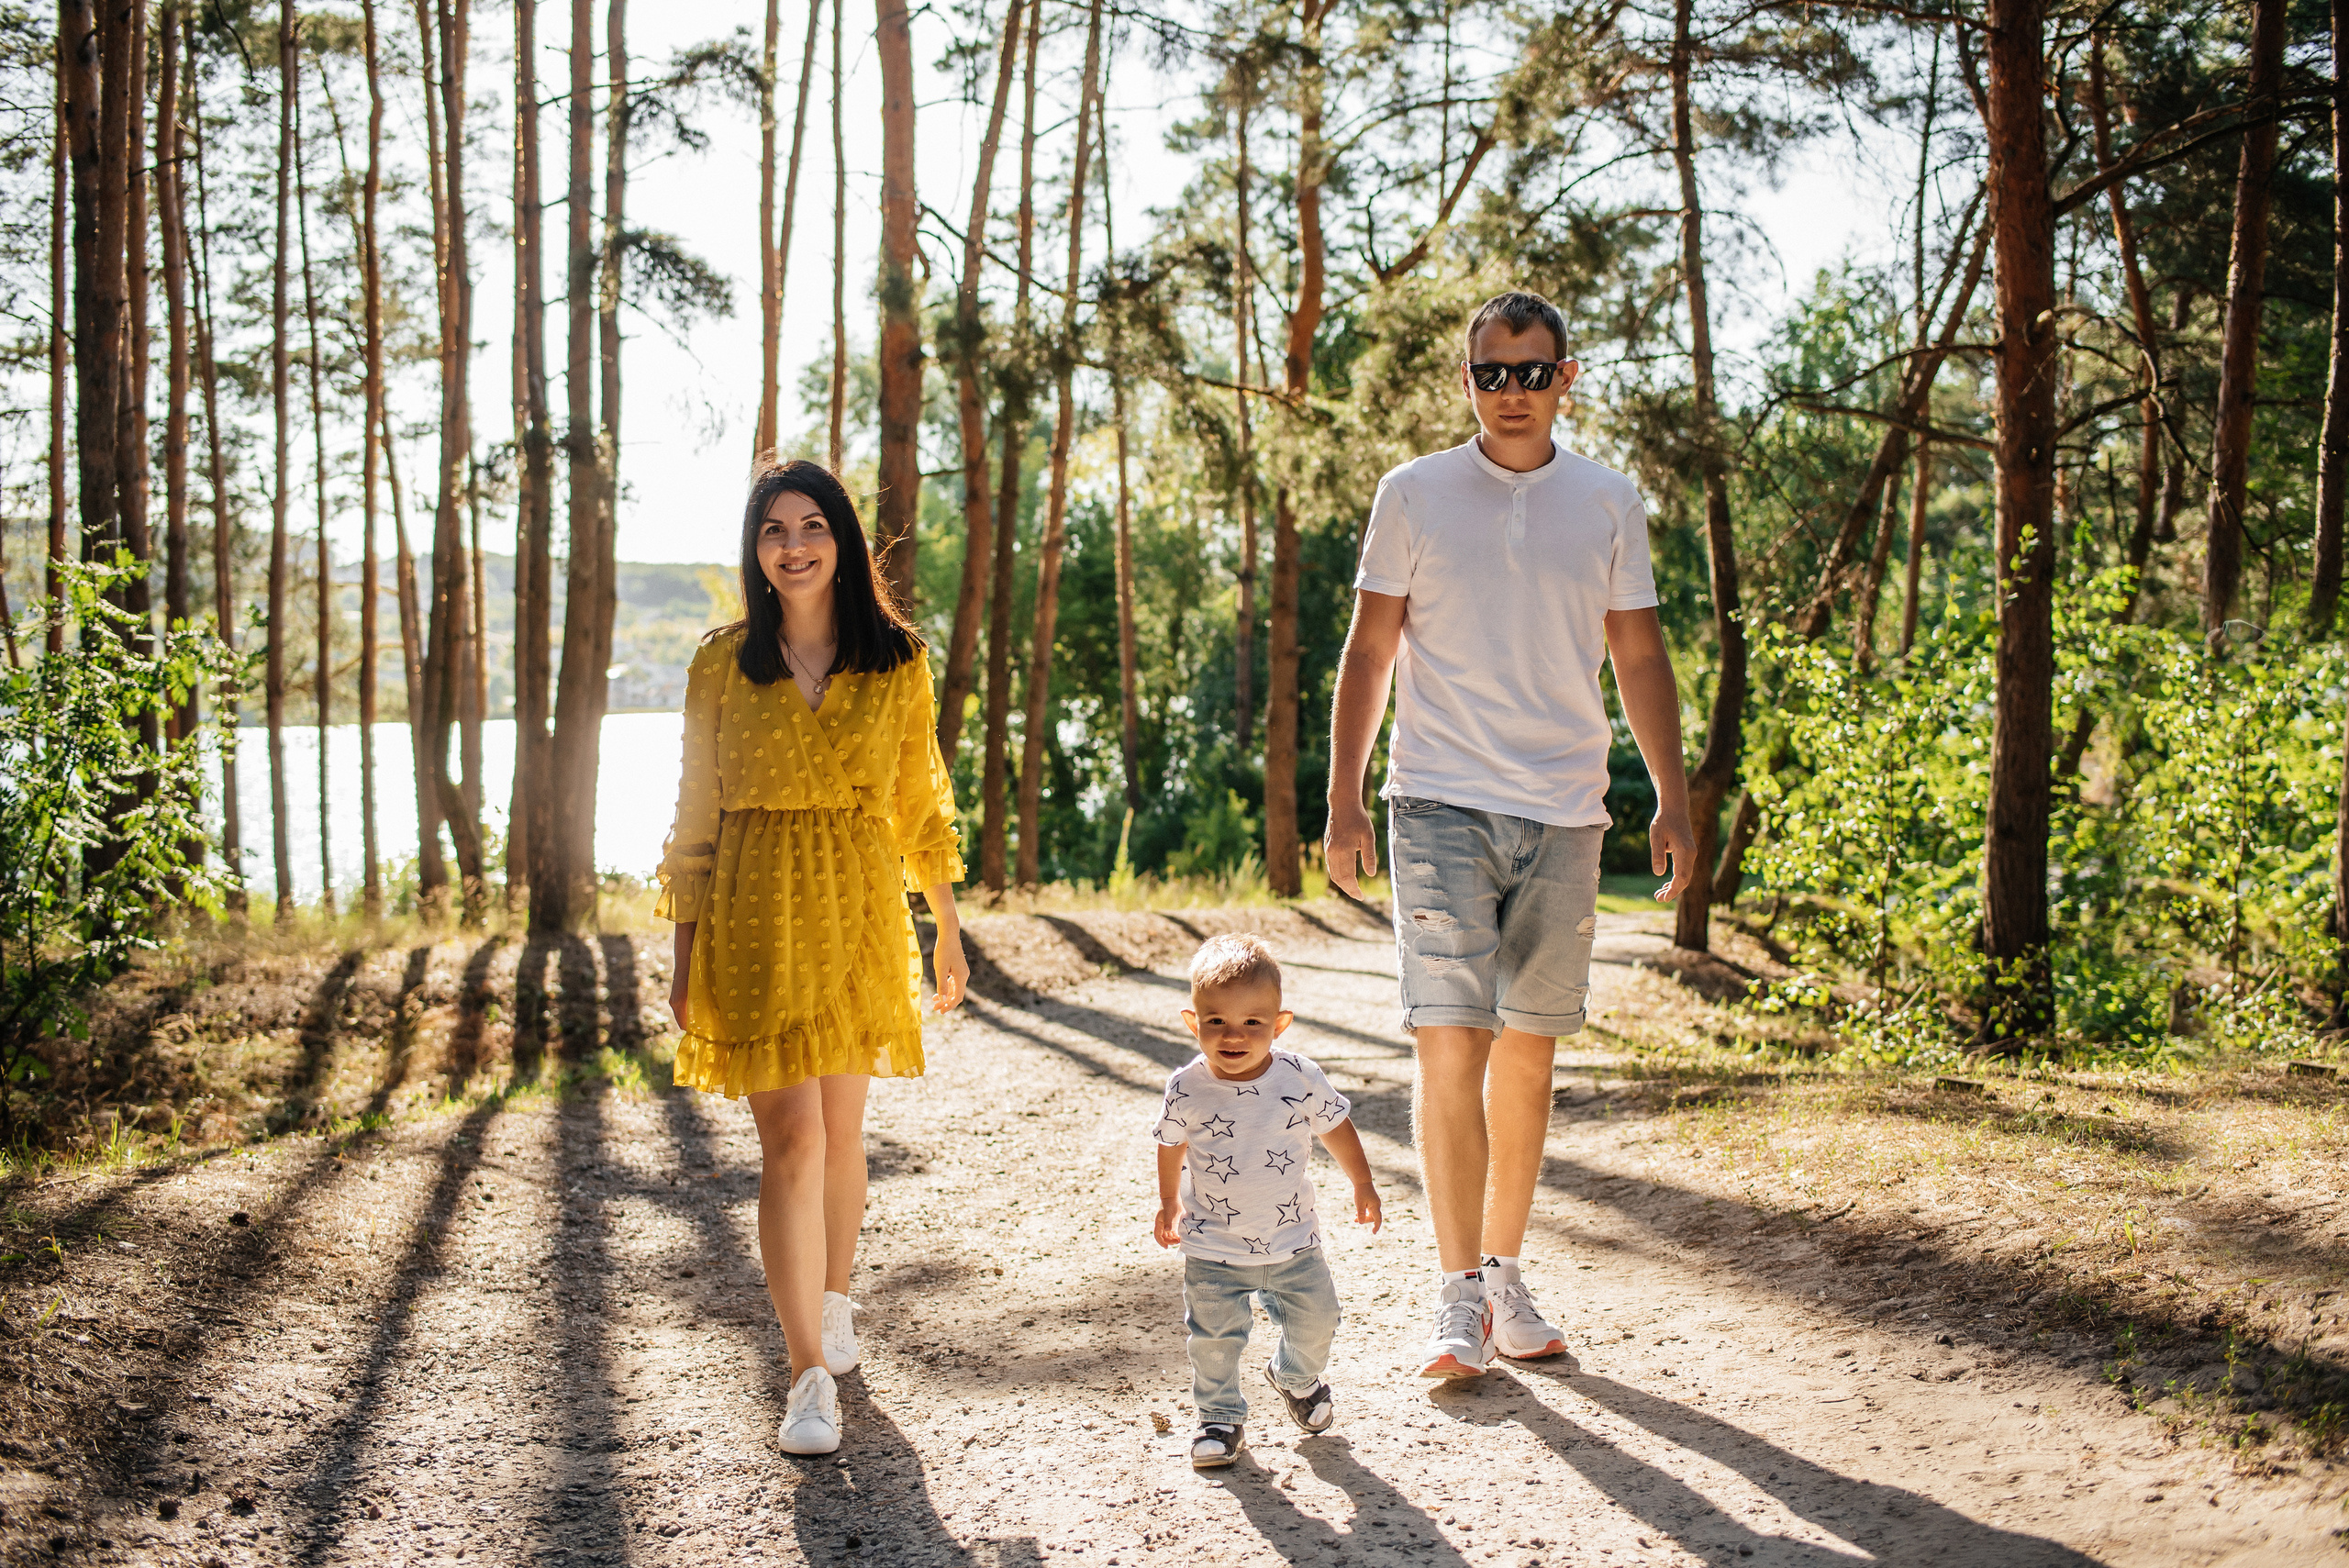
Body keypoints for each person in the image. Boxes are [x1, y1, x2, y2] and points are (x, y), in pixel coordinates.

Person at [1321, 289, 1695, 1379]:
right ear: (1468, 381)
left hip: (1566, 808)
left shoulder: (1608, 500)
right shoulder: (1413, 492)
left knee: (1527, 1050)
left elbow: (1639, 655)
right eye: (1491, 373)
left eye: (1531, 372)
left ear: (1564, 378)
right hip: (1437, 797)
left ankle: (1500, 1274)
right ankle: (1454, 1296)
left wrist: (1671, 794)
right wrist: (1345, 795)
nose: (1511, 392)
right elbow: (1369, 649)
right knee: (1450, 1039)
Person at [658, 457, 972, 1456]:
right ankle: (804, 1374)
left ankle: (834, 1297)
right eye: (773, 530)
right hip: (753, 914)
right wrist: (683, 953)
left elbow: (920, 805)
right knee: (791, 1139)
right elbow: (695, 817)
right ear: (755, 551)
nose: (792, 546)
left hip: (860, 910)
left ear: (842, 540)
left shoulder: (898, 661)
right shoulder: (722, 663)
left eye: (811, 527)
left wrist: (946, 926)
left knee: (840, 1132)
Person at [1152, 933, 1383, 1469]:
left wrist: (1363, 1182)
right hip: (1213, 1247)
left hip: (1292, 1242)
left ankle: (1294, 1377)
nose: (1233, 1035)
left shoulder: (1298, 1077)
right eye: (1216, 1021)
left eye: (1252, 1022)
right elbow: (1170, 1143)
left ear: (1279, 1025)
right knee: (1213, 1339)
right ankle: (1218, 1418)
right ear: (1192, 1022)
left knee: (1319, 1320)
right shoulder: (1187, 1086)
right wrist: (1168, 1201)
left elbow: (1336, 1127)